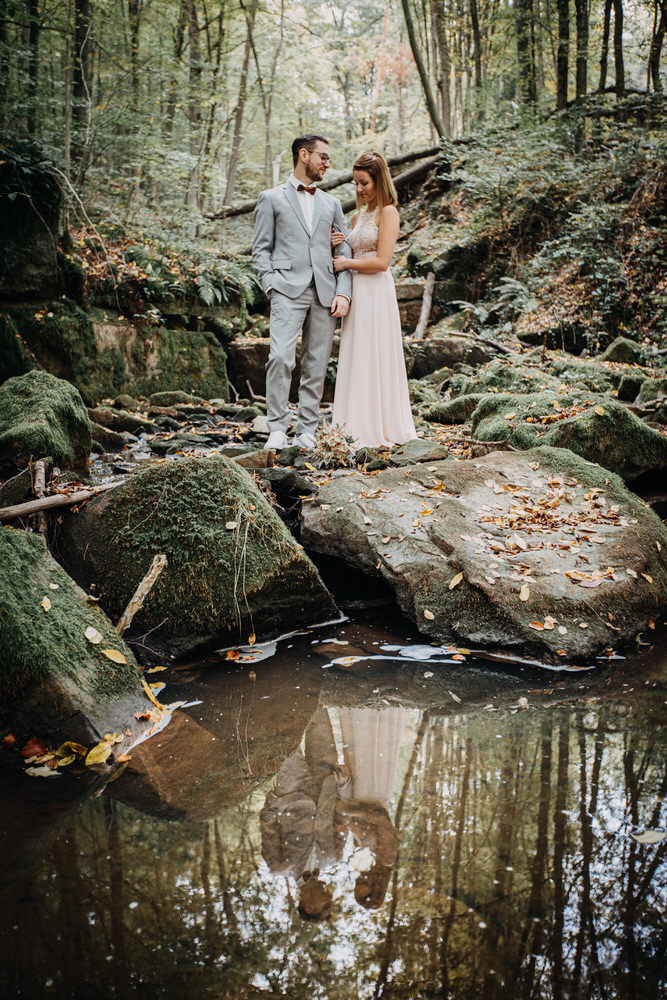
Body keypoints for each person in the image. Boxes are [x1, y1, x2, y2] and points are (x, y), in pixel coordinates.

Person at [252, 134, 352, 452]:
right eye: (323, 156)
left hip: (326, 292)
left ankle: (307, 429)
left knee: (317, 363)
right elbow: (260, 249)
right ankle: (278, 427)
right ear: (304, 155)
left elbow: (344, 249)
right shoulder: (271, 198)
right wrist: (270, 284)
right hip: (286, 289)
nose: (327, 163)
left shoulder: (332, 203)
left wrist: (344, 292)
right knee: (280, 358)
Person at [331, 151, 417, 449]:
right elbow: (353, 251)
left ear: (378, 181)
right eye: (355, 183)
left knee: (375, 354)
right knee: (357, 355)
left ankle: (381, 425)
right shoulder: (358, 215)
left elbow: (382, 261)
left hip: (376, 292)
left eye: (364, 183)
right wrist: (341, 246)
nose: (359, 189)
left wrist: (346, 265)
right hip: (357, 292)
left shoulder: (388, 212)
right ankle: (353, 422)